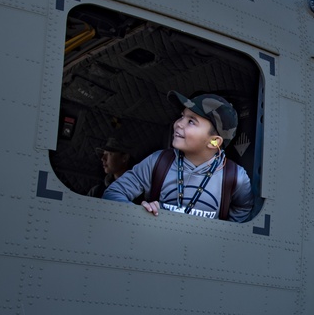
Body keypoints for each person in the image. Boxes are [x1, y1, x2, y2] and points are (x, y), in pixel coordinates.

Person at [103, 92, 254, 222]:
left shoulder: (235, 176)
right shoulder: (158, 161)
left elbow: (243, 208)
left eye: (191, 122)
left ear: (214, 142)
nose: (178, 124)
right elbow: (114, 193)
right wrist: (141, 214)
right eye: (182, 116)